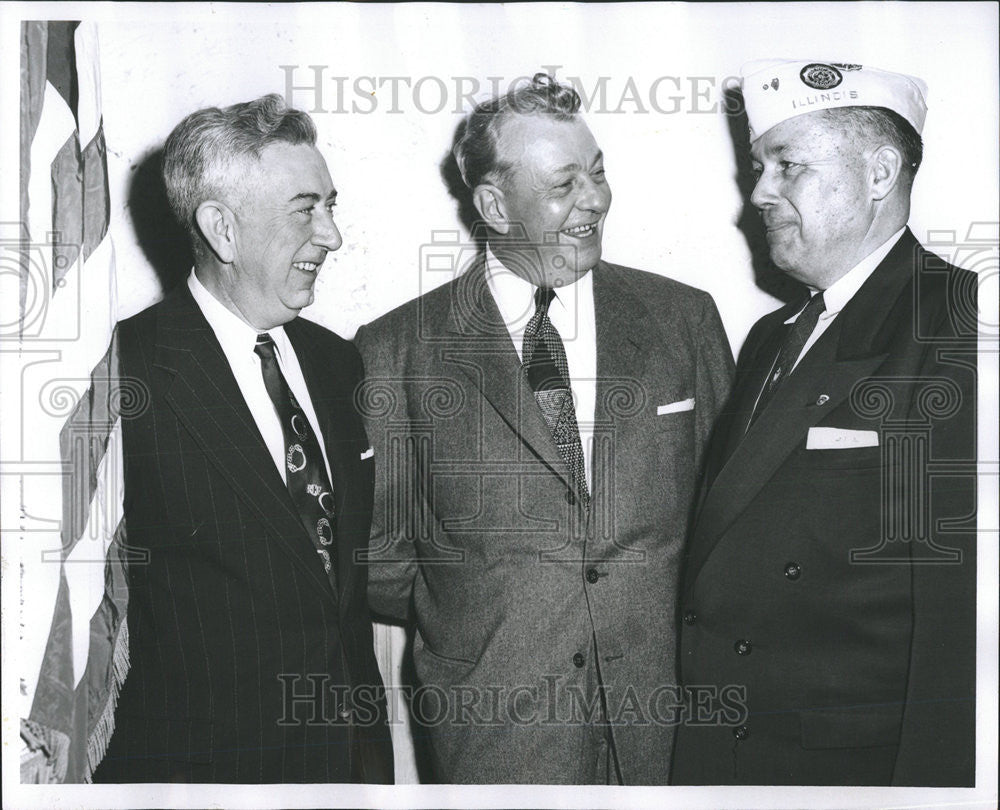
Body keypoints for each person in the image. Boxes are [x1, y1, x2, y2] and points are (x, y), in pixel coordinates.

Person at [354, 73, 733, 784]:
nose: (594, 200)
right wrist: (488, 606)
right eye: (565, 184)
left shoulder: (684, 321)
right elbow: (380, 554)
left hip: (671, 718)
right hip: (498, 727)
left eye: (598, 174)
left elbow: (730, 517)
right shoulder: (397, 350)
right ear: (495, 206)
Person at [671, 60, 977, 786]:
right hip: (726, 754)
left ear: (879, 173)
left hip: (848, 773)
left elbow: (962, 629)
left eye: (788, 166)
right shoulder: (772, 337)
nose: (759, 194)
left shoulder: (960, 329)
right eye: (759, 166)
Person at [92, 94, 393, 783]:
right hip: (206, 778)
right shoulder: (120, 379)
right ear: (222, 230)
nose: (332, 236)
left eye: (330, 205)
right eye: (305, 209)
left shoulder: (334, 361)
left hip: (349, 767)